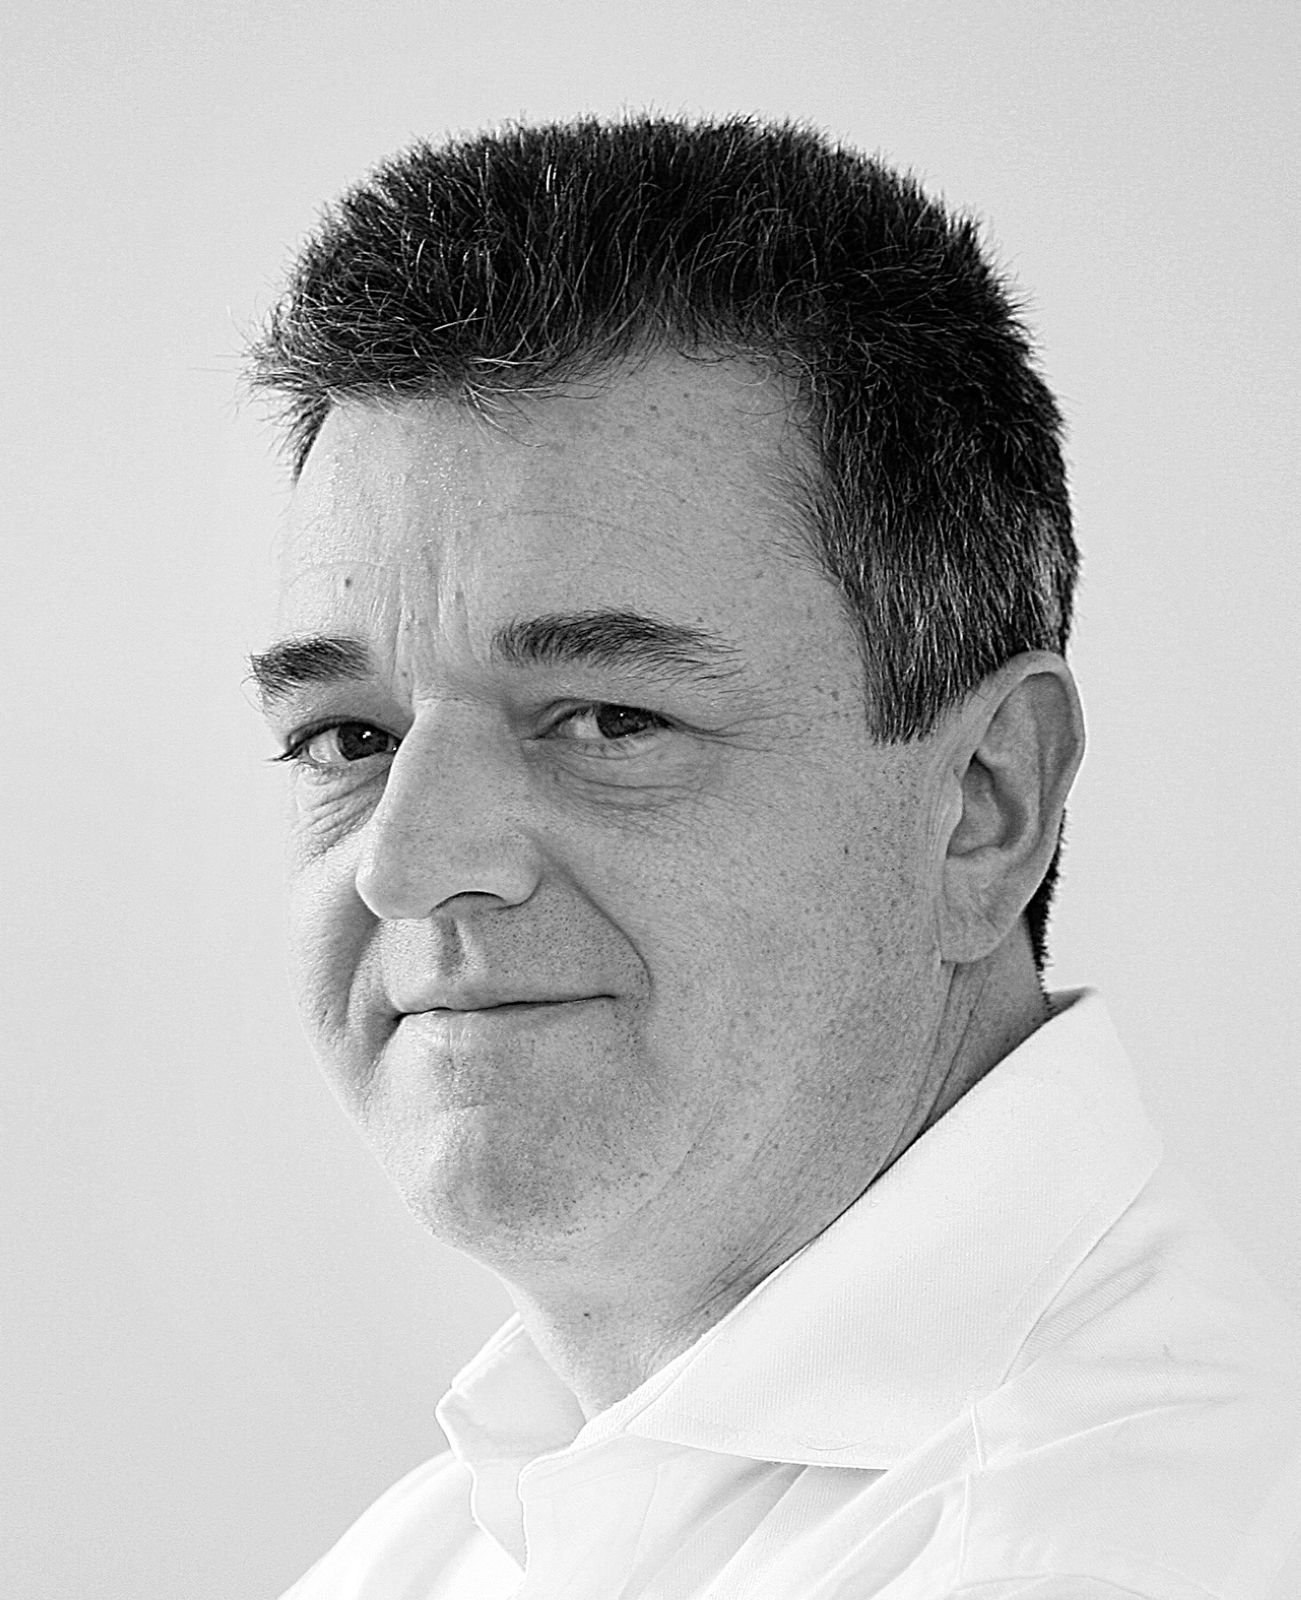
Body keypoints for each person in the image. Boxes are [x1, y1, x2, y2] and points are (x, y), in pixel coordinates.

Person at [245, 115, 1301, 1599]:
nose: (408, 866)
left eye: (608, 719)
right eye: (349, 738)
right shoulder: (440, 1550)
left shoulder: (1152, 1548)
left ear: (984, 803)